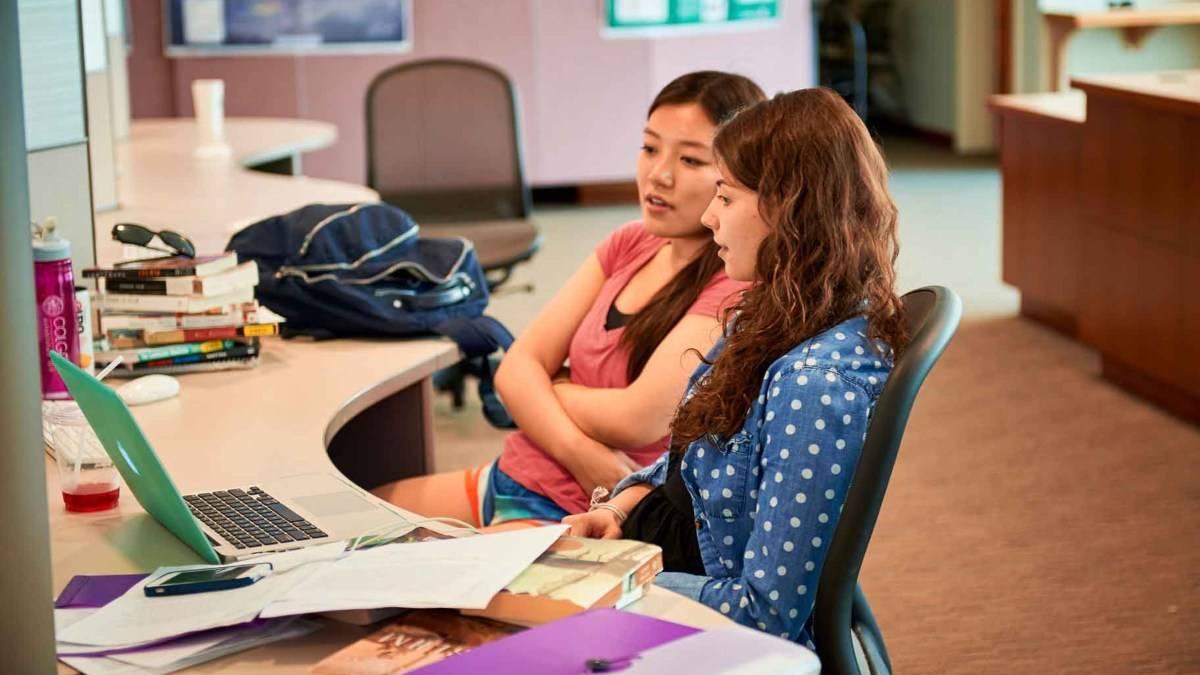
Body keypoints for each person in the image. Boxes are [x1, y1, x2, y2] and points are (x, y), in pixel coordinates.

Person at [563, 88, 908, 647]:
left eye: (724, 197)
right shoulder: (782, 308)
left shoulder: (813, 385)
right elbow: (701, 448)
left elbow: (767, 611)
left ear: (787, 207)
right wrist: (624, 509)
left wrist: (619, 582)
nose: (707, 216)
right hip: (660, 552)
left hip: (698, 613)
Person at [373, 72, 765, 527]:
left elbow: (635, 420)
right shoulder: (630, 243)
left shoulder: (733, 281)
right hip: (516, 475)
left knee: (433, 591)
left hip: (583, 511)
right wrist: (579, 451)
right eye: (650, 148)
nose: (659, 174)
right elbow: (516, 368)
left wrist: (550, 387)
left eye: (692, 160)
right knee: (345, 527)